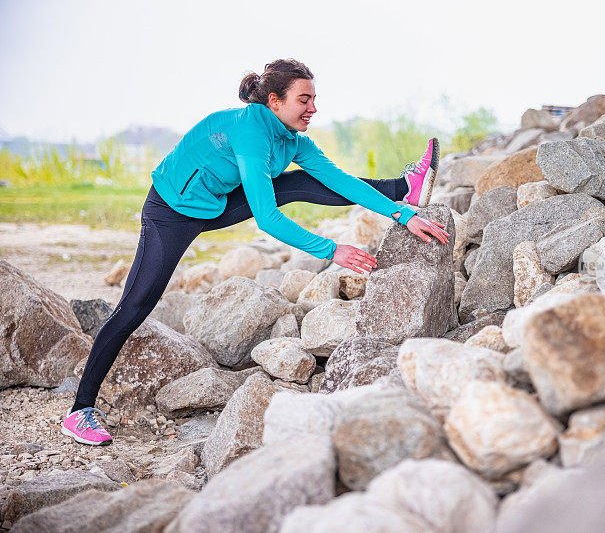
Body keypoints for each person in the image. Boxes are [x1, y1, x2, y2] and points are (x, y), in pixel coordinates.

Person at [61, 58, 449, 446]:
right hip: (170, 212)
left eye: (314, 99)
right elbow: (266, 218)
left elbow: (341, 181)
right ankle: (80, 411)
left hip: (215, 201)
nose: (313, 108)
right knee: (135, 306)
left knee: (297, 182)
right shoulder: (250, 132)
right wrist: (332, 249)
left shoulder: (294, 139)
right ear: (275, 101)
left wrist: (402, 213)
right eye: (304, 99)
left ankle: (404, 188)